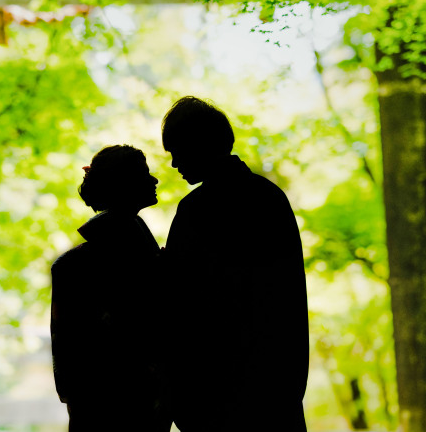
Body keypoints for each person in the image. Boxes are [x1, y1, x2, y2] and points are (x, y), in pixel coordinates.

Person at [161, 96, 308, 431]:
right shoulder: (270, 198)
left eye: (177, 151)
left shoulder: (195, 210)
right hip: (275, 391)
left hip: (213, 399)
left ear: (199, 145)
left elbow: (181, 308)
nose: (174, 164)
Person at [50, 145, 171, 432]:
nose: (154, 180)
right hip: (122, 408)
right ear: (124, 185)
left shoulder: (71, 264)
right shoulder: (136, 261)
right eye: (144, 174)